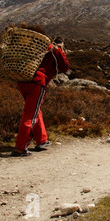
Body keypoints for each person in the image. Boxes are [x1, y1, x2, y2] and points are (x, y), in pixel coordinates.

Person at [11, 29, 70, 157]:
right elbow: (65, 67)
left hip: (23, 81)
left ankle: (41, 140)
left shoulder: (37, 47)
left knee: (34, 111)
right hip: (37, 82)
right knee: (30, 115)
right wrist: (60, 50)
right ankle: (21, 147)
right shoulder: (53, 49)